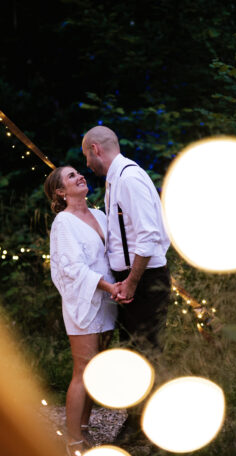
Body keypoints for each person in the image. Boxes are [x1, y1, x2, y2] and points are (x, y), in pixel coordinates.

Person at [44, 166, 120, 456]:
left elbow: (112, 255)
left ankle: (85, 428)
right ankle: (72, 441)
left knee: (96, 369)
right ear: (61, 192)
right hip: (84, 301)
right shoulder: (64, 222)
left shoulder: (100, 215)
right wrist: (106, 286)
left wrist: (119, 286)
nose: (80, 177)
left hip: (108, 299)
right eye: (72, 177)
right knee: (83, 369)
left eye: (79, 173)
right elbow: (71, 268)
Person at [81, 125, 171, 353]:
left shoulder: (129, 179)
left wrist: (131, 281)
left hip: (145, 281)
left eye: (86, 156)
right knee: (132, 354)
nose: (87, 164)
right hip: (133, 279)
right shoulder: (115, 179)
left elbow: (148, 236)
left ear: (95, 149)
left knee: (145, 354)